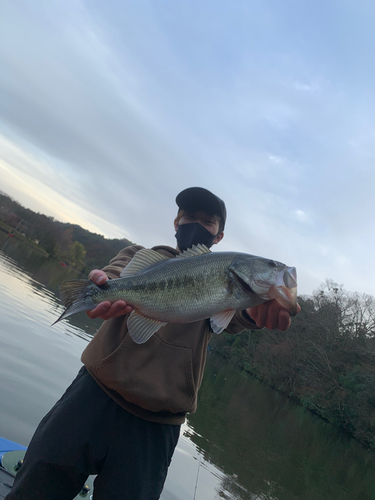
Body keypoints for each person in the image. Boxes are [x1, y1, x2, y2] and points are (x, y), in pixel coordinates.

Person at [7, 187, 299, 500]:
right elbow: (112, 275)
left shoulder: (230, 282)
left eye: (208, 221)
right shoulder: (138, 256)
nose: (196, 224)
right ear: (177, 222)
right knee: (35, 487)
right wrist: (99, 286)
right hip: (92, 396)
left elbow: (239, 317)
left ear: (220, 236)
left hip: (157, 425)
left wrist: (256, 314)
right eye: (190, 216)